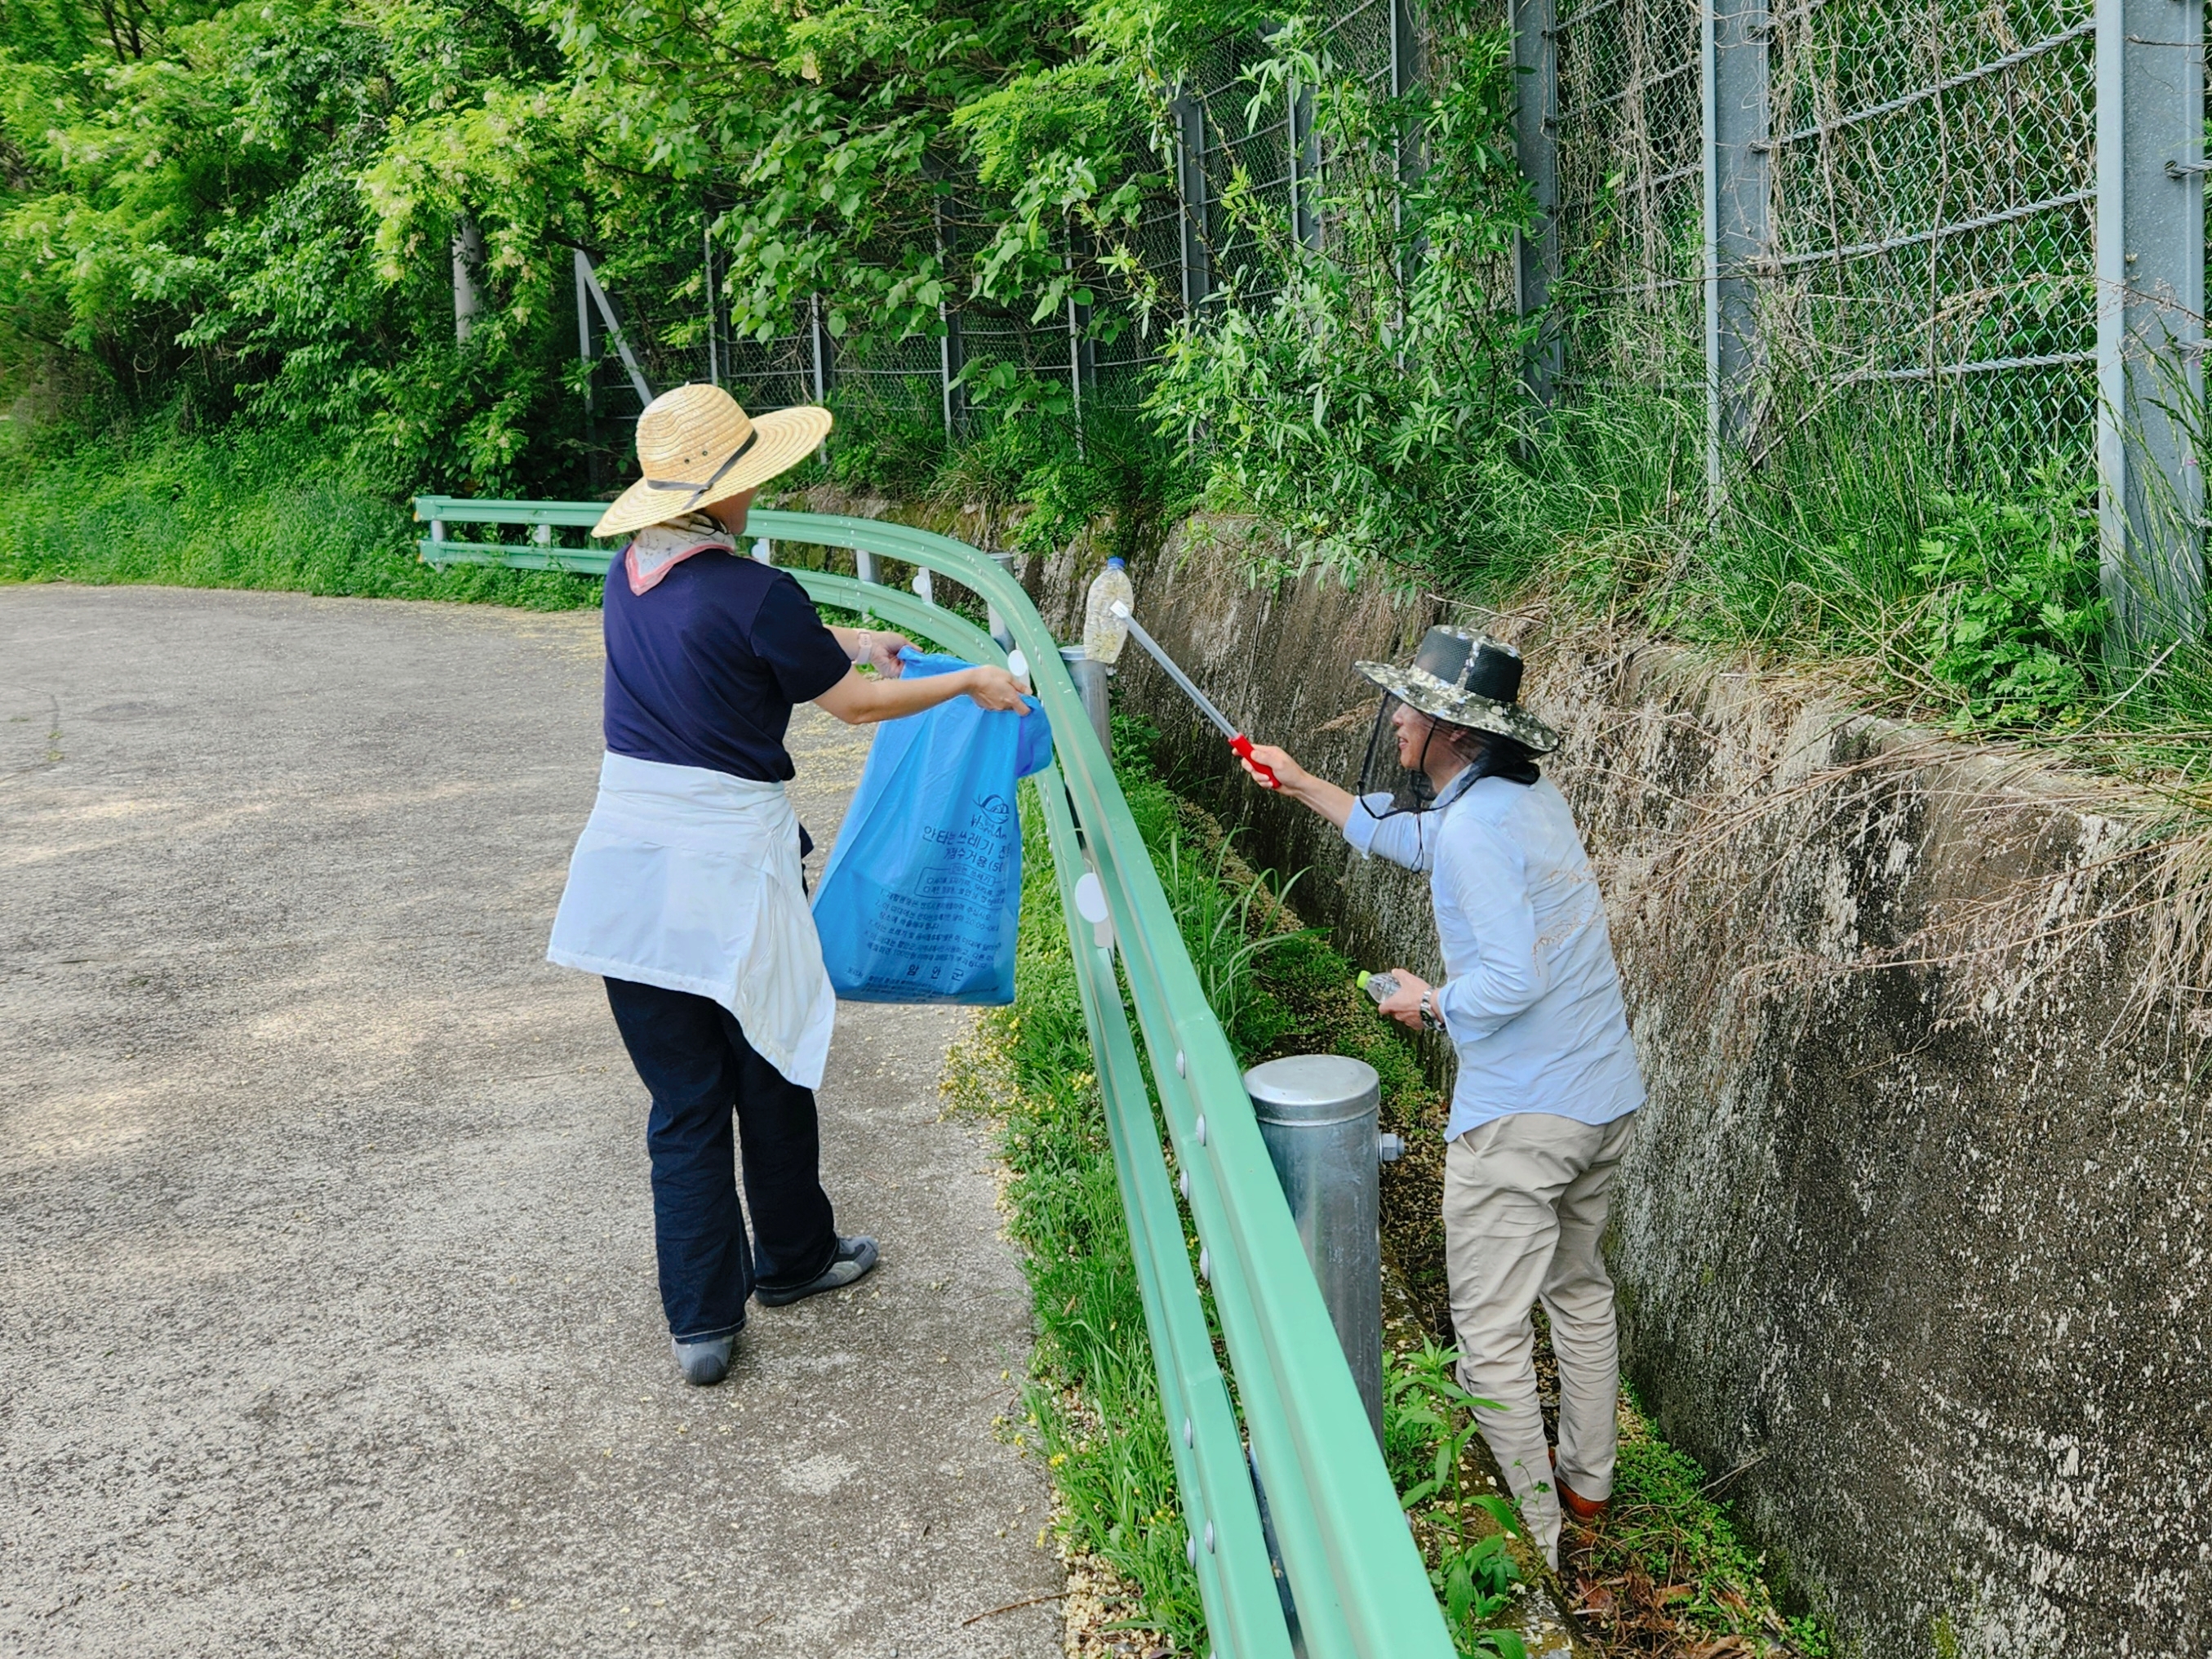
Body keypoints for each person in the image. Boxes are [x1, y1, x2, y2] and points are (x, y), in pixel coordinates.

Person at [545, 384, 1029, 1388]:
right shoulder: (757, 594)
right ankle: (795, 1260)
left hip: (627, 876)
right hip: (728, 876)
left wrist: (850, 640)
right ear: (724, 492)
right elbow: (852, 709)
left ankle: (701, 1327)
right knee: (769, 1063)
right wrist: (968, 680)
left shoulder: (626, 574)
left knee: (683, 1101)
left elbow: (747, 651)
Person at [1237, 627, 1644, 1567]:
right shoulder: (1519, 800)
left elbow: (1509, 978)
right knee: (1578, 1290)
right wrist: (1298, 782)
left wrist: (1431, 1002)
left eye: (1412, 707)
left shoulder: (1474, 831)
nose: (1397, 718)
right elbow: (1416, 839)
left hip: (1522, 1117)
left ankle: (1533, 1541)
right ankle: (1586, 1483)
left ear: (1457, 731)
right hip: (1599, 1097)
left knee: (1491, 1331)